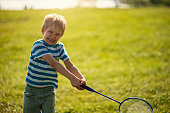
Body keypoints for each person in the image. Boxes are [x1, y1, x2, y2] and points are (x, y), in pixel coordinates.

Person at [23, 14, 86, 113]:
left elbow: (69, 64)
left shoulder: (60, 47)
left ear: (61, 35)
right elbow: (53, 63)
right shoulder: (38, 45)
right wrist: (72, 78)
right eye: (50, 32)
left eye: (57, 34)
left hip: (49, 91)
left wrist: (81, 77)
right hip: (32, 92)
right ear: (43, 29)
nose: (53, 36)